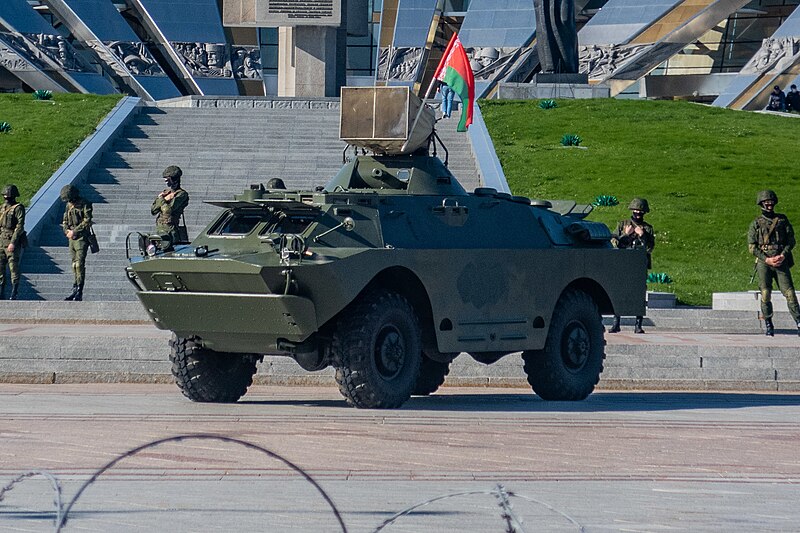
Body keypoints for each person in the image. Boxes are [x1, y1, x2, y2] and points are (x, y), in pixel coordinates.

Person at [747, 189, 800, 337]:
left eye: (771, 202)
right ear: (761, 203)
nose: (769, 204)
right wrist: (767, 259)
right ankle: (768, 323)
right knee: (765, 293)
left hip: (780, 260)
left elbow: (791, 241)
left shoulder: (782, 220)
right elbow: (752, 247)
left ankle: (798, 321)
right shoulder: (756, 223)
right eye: (766, 202)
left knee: (790, 293)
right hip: (764, 261)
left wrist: (783, 255)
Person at [609, 198, 655, 334]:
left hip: (639, 266)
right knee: (618, 293)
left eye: (640, 211)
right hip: (622, 264)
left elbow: (650, 248)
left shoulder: (647, 228)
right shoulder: (623, 224)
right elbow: (613, 244)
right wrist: (625, 234)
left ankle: (638, 324)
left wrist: (642, 236)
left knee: (639, 294)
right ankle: (616, 323)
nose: (637, 213)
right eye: (636, 211)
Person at [60, 184, 93, 301]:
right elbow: (64, 220)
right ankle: (74, 288)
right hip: (71, 238)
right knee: (74, 265)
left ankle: (80, 290)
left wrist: (75, 231)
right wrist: (67, 231)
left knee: (79, 264)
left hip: (81, 238)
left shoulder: (85, 204)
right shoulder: (68, 205)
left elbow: (87, 220)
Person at [151, 165, 189, 250]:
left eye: (168, 179)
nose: (166, 182)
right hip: (160, 229)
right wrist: (164, 199)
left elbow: (168, 210)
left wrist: (161, 199)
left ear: (174, 179)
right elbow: (153, 210)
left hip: (170, 231)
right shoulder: (166, 193)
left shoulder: (181, 194)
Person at [0, 184, 25, 300]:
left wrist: (13, 242)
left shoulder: (18, 208)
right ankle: (1, 291)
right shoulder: (2, 208)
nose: (6, 197)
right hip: (1, 240)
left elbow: (19, 226)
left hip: (11, 240)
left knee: (13, 267)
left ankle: (14, 291)